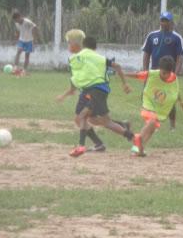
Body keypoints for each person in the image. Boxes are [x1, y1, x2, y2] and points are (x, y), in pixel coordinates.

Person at [56, 29, 136, 157]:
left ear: (76, 44)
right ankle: (107, 138)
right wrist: (64, 95)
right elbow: (74, 84)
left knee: (83, 117)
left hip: (94, 90)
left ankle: (81, 146)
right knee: (91, 119)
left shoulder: (79, 58)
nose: (68, 46)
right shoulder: (77, 59)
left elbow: (115, 66)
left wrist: (125, 83)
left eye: (69, 43)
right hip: (92, 91)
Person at [127, 56, 183, 157]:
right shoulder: (152, 74)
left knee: (153, 127)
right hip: (148, 102)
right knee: (152, 120)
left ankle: (138, 149)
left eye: (168, 73)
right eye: (163, 73)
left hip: (160, 108)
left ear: (171, 71)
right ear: (159, 69)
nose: (165, 76)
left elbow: (175, 91)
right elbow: (137, 75)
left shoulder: (173, 78)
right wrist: (122, 74)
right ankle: (139, 138)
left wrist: (180, 101)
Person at [142, 11, 183, 130]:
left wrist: (175, 74)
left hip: (168, 74)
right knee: (150, 97)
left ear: (171, 22)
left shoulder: (176, 38)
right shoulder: (152, 35)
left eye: (166, 21)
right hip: (154, 73)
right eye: (162, 20)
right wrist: (145, 71)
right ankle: (152, 124)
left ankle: (172, 126)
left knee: (170, 100)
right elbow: (146, 53)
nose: (163, 23)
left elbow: (179, 57)